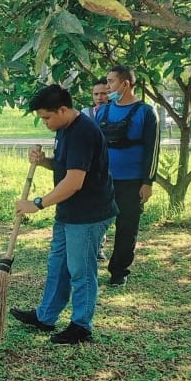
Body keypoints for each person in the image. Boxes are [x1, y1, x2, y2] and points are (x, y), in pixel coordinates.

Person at [10, 84, 117, 344]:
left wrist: (37, 203)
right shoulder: (63, 129)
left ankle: (81, 326)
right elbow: (65, 166)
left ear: (63, 109)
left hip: (89, 214)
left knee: (81, 271)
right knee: (58, 266)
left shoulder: (83, 132)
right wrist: (44, 161)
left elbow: (74, 182)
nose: (45, 123)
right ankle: (45, 317)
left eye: (47, 117)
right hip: (69, 211)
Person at [96, 65, 160, 286]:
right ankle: (88, 264)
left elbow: (153, 150)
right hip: (104, 180)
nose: (107, 87)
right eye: (107, 81)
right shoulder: (103, 111)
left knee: (127, 227)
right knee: (95, 223)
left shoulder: (146, 112)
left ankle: (119, 271)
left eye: (111, 82)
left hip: (132, 182)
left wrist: (147, 182)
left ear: (126, 84)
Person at [83, 78, 110, 260]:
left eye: (104, 93)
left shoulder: (115, 113)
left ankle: (100, 244)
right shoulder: (86, 114)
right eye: (96, 94)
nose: (100, 97)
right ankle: (96, 245)